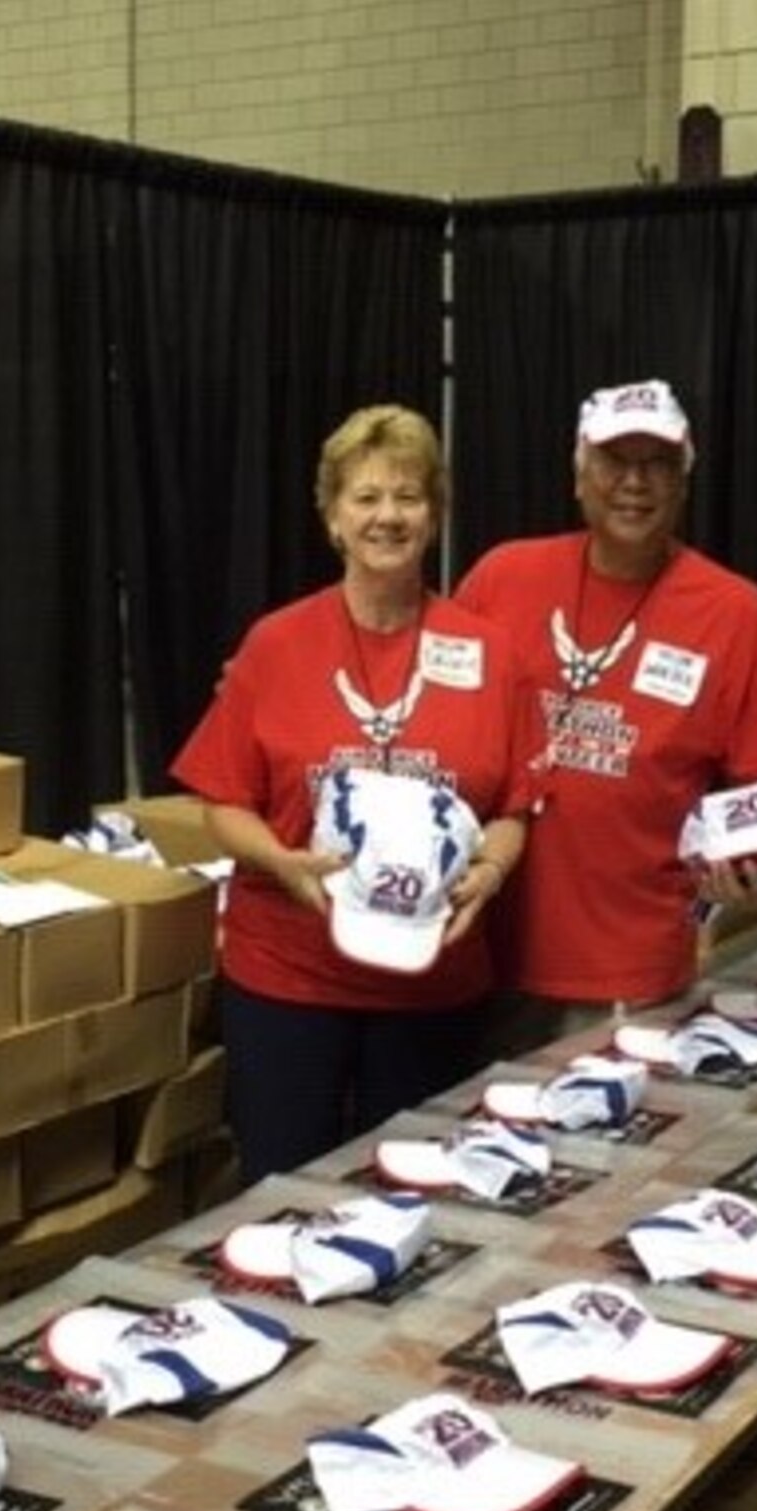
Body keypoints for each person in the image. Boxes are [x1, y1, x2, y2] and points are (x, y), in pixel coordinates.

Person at [172, 404, 542, 1184]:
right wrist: (281, 859)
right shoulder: (276, 644)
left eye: (408, 497)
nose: (387, 517)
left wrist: (494, 872)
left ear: (435, 516)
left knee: (412, 1197)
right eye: (366, 497)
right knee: (279, 1190)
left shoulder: (489, 652)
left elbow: (513, 807)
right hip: (288, 977)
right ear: (333, 517)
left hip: (433, 982)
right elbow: (222, 800)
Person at [454, 377, 757, 1045]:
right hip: (478, 959)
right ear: (579, 474)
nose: (635, 483)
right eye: (616, 460)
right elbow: (424, 707)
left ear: (684, 481)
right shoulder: (502, 578)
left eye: (658, 463)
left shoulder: (734, 612)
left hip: (630, 977)